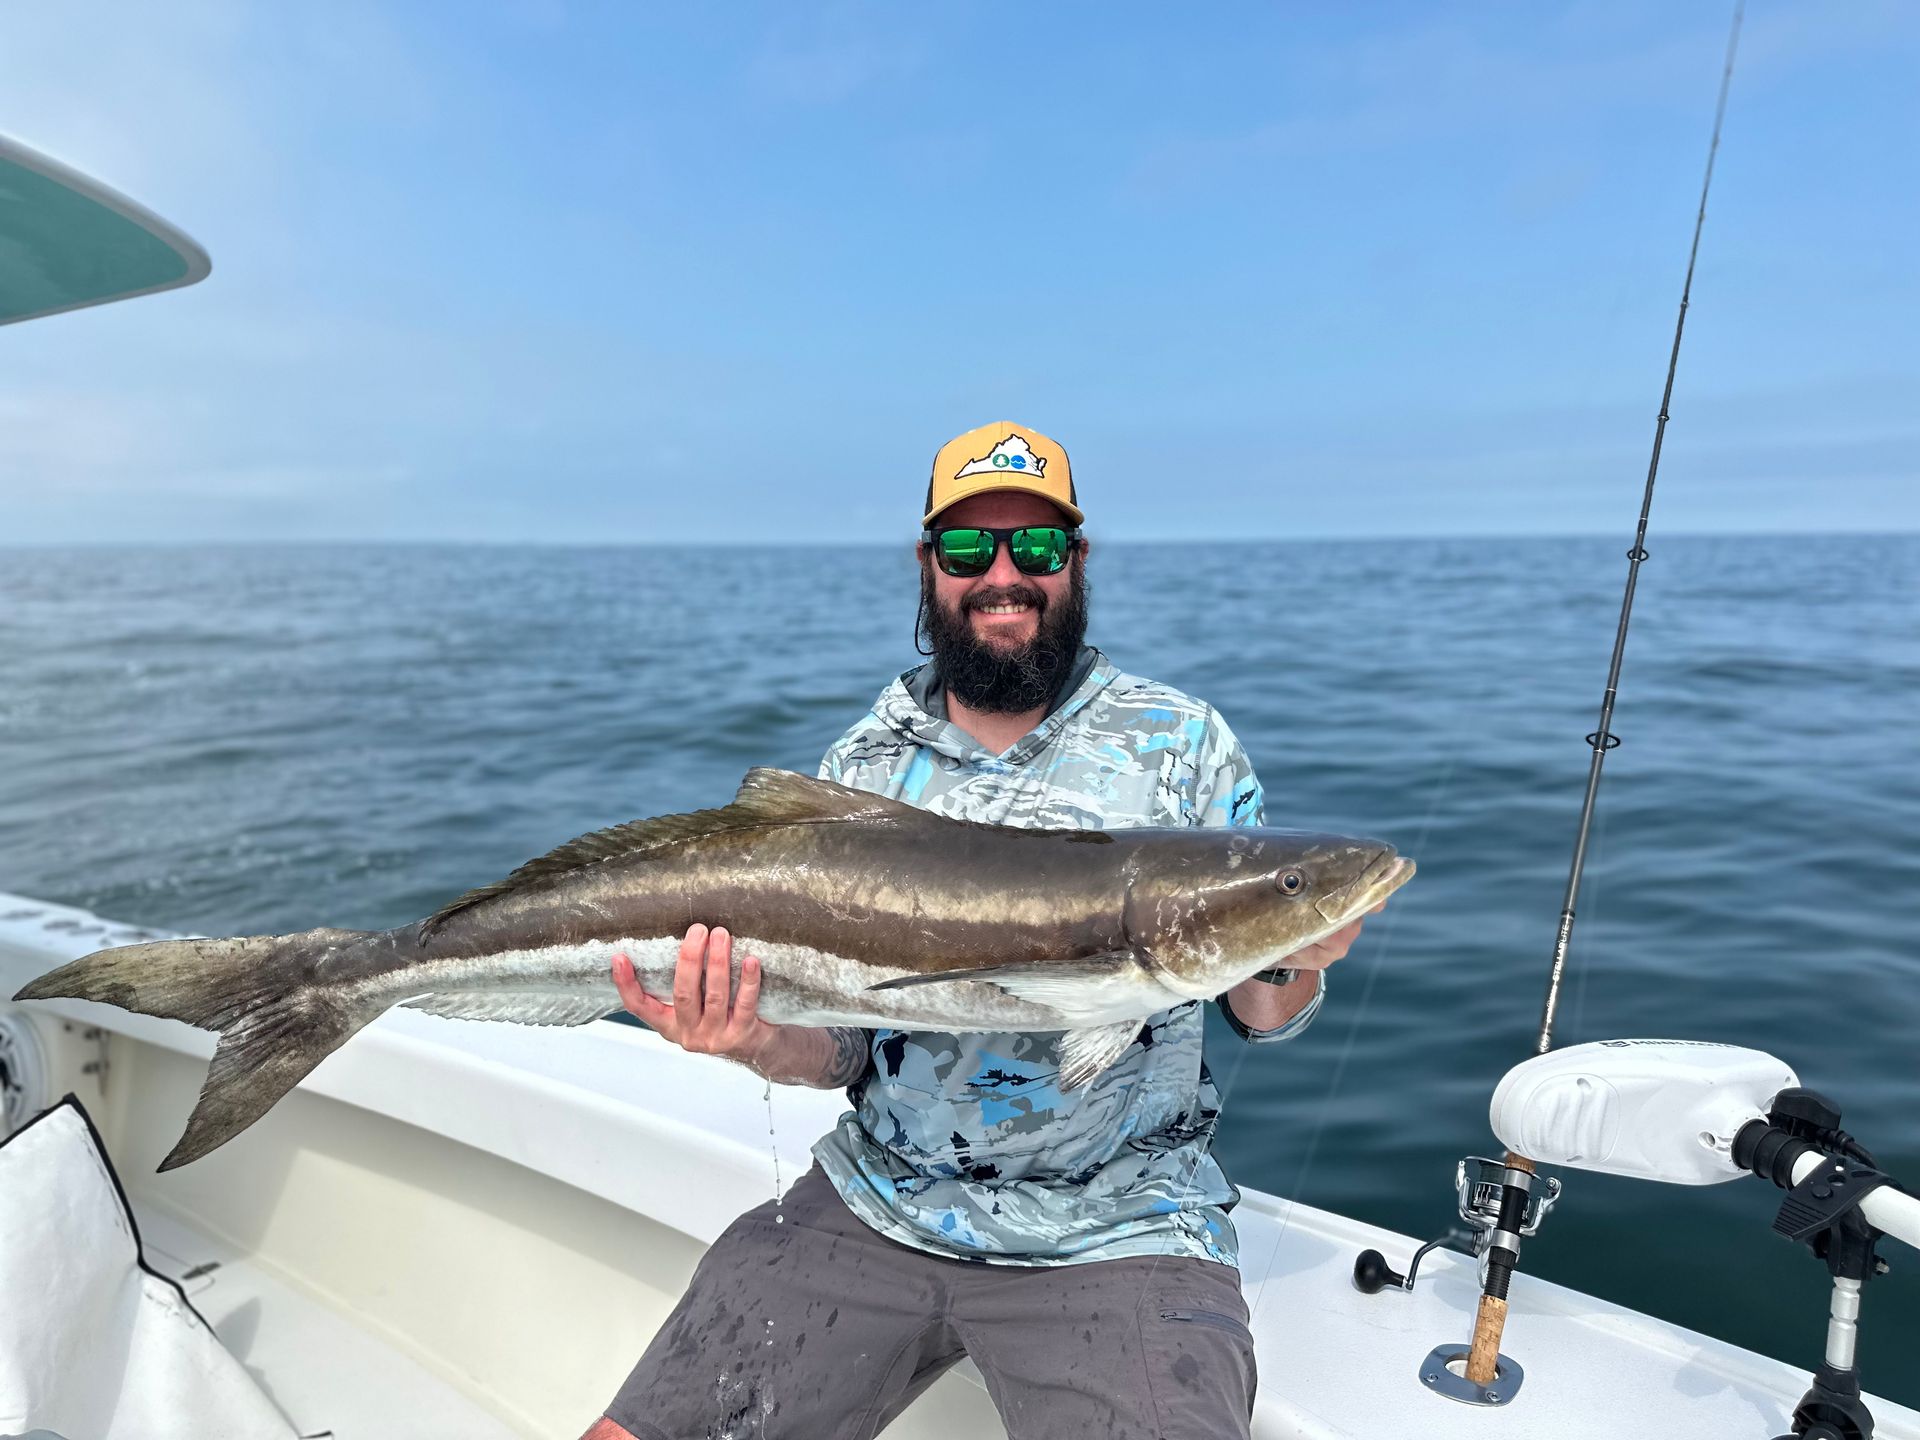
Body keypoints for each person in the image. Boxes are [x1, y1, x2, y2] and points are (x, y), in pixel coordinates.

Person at [583, 421, 1377, 1440]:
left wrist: (1296, 948)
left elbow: (1260, 1009)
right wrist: (749, 1037)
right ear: (930, 569)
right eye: (969, 549)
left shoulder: (1182, 743)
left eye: (1036, 547)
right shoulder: (862, 767)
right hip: (875, 1201)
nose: (1004, 574)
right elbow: (845, 1048)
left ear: (1076, 563)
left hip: (1123, 1227)